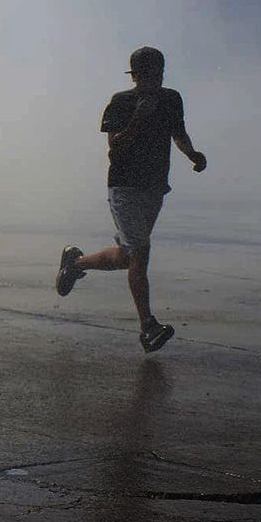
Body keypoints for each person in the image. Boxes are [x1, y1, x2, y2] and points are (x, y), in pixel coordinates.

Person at [56, 46, 207, 353]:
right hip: (124, 186)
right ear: (135, 76)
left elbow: (178, 132)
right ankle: (148, 327)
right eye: (148, 75)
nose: (154, 80)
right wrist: (138, 118)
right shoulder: (121, 102)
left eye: (159, 74)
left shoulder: (171, 99)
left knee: (128, 256)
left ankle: (75, 263)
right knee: (140, 253)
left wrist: (192, 154)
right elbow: (115, 149)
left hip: (154, 186)